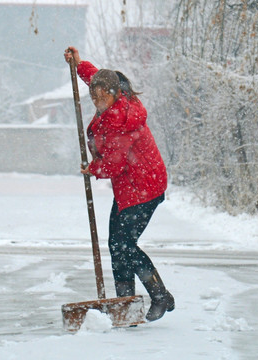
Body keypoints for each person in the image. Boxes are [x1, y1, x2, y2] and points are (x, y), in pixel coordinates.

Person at [64, 46, 174, 322]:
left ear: (113, 95)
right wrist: (80, 65)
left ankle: (160, 295)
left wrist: (93, 169)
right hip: (131, 188)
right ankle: (126, 303)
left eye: (100, 97)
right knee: (118, 244)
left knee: (123, 245)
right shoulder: (115, 95)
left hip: (144, 189)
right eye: (93, 95)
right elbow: (98, 79)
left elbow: (115, 163)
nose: (95, 101)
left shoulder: (119, 120)